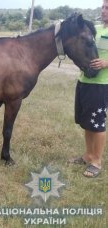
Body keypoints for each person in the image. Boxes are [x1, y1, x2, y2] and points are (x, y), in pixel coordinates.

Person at [69, 0, 108, 178]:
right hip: (84, 80)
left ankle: (97, 162)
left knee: (97, 123)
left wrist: (107, 62)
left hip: (101, 84)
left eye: (107, 8)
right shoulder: (95, 28)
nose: (104, 11)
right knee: (87, 122)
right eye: (103, 7)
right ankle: (87, 155)